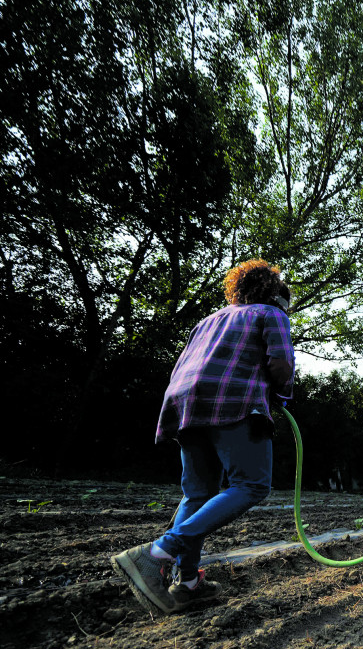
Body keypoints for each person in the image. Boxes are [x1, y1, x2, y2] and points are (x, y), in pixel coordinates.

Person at [111, 259, 295, 616]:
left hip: (184, 404)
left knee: (197, 493)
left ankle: (190, 581)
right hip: (233, 401)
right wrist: (281, 397)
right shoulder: (272, 314)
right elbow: (280, 365)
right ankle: (157, 553)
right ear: (274, 295)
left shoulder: (208, 320)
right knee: (251, 485)